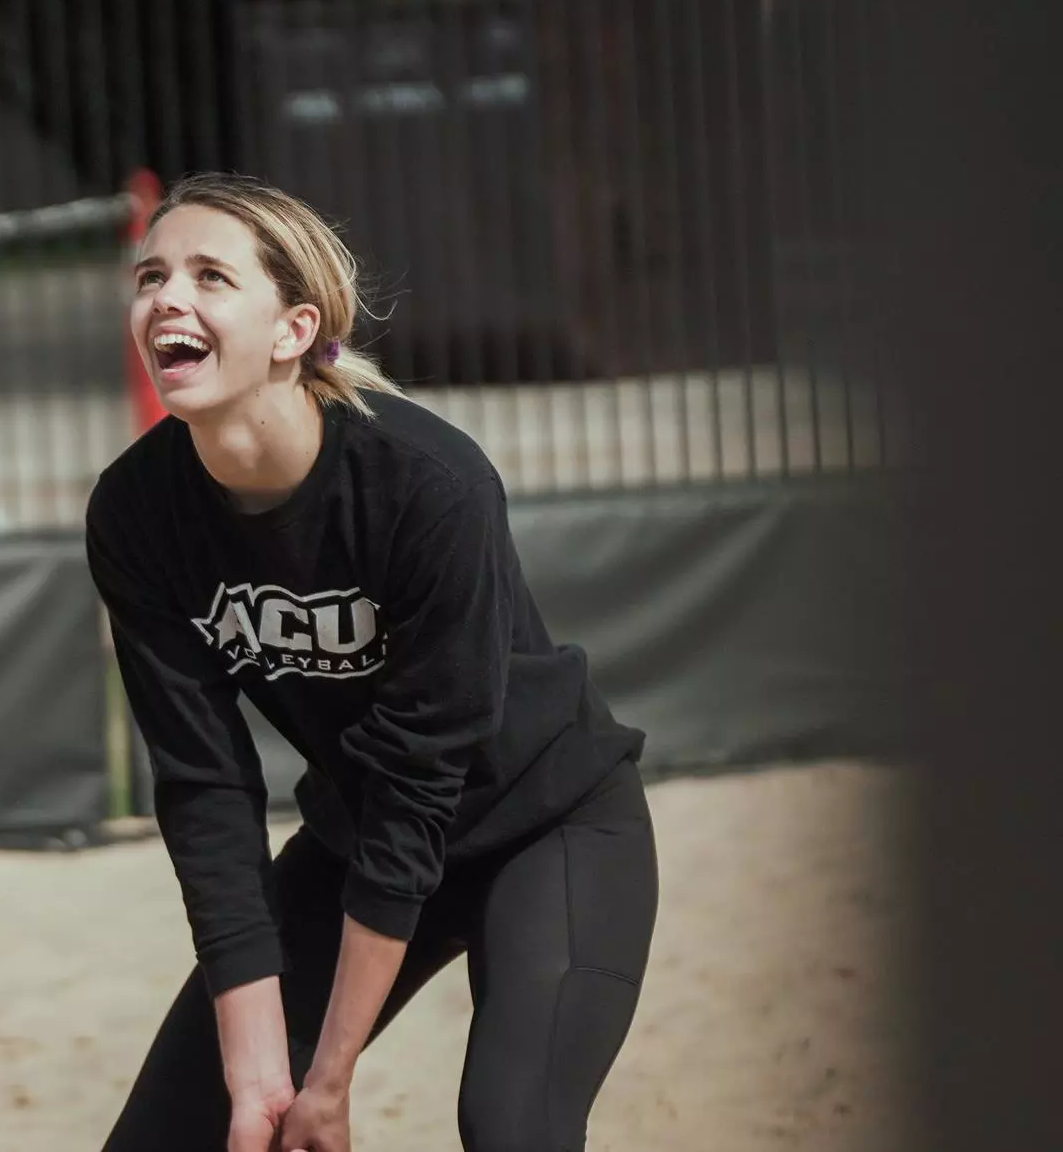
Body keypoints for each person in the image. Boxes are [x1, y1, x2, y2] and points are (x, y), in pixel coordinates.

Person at [85, 173, 657, 1152]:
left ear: (293, 329)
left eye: (209, 275)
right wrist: (256, 1072)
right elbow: (205, 787)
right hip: (358, 835)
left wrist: (328, 1077)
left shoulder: (427, 484)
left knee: (512, 1128)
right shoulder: (135, 512)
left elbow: (418, 775)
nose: (166, 297)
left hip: (545, 827)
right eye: (151, 276)